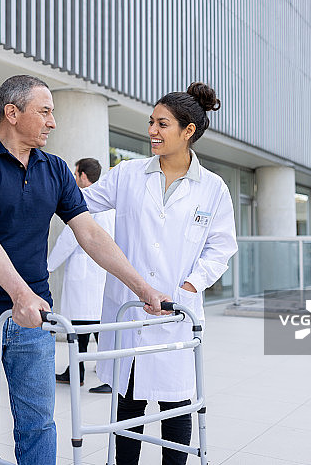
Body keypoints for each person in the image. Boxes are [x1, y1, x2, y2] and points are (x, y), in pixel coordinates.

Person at [0, 74, 171, 465]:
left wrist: (143, 289)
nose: (53, 121)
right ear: (12, 113)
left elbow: (90, 235)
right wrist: (21, 294)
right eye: (45, 111)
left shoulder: (57, 169)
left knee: (38, 423)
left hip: (35, 318)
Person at [82, 82, 238, 465]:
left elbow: (221, 248)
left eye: (162, 123)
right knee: (129, 404)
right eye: (151, 121)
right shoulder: (128, 175)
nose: (152, 130)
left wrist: (188, 286)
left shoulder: (213, 188)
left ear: (188, 132)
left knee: (176, 405)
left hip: (176, 311)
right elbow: (78, 202)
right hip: (131, 308)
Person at [48, 158, 115, 388]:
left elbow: (69, 239)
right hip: (98, 275)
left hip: (85, 276)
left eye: (76, 174)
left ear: (84, 176)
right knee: (93, 328)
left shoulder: (85, 200)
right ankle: (76, 371)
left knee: (82, 327)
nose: (74, 179)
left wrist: (47, 266)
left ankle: (106, 377)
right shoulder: (107, 202)